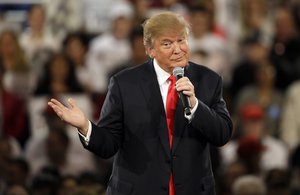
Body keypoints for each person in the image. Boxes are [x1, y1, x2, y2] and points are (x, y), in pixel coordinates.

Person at [48, 12, 232, 195]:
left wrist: (195, 106)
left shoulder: (209, 80)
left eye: (181, 41)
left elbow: (222, 134)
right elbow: (108, 144)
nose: (178, 49)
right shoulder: (124, 83)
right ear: (150, 50)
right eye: (167, 44)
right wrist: (85, 126)